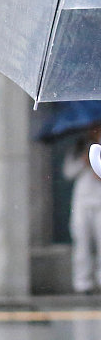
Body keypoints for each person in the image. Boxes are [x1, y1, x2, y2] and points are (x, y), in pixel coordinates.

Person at [63, 125, 101, 294]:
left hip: (99, 200)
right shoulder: (78, 147)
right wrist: (83, 162)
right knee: (82, 241)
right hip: (82, 201)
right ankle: (82, 283)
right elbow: (68, 172)